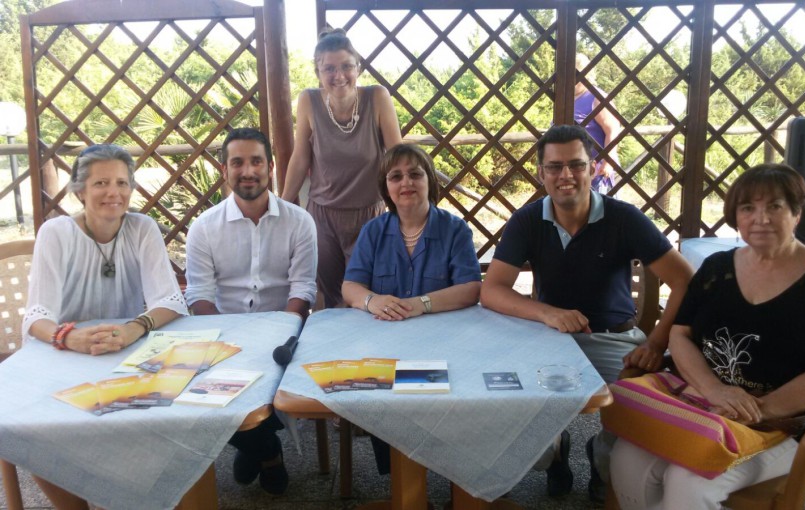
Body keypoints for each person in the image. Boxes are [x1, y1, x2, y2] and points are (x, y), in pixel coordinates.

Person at [479, 124, 693, 501]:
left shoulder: (624, 218)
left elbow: (685, 281)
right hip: (549, 337)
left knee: (640, 419)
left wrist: (657, 342)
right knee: (511, 407)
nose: (566, 176)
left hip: (615, 337)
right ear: (541, 172)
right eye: (555, 167)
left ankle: (602, 454)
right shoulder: (528, 220)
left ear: (594, 168)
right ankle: (555, 451)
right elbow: (491, 290)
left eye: (576, 165)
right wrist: (547, 314)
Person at [610, 163, 805, 510]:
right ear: (735, 216)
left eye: (775, 206)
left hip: (782, 424)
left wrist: (756, 410)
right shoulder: (717, 269)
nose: (761, 218)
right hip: (702, 403)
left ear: (797, 213)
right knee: (627, 457)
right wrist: (715, 391)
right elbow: (680, 335)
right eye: (748, 208)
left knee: (688, 482)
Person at [23, 143, 189, 508]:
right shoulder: (57, 233)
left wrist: (135, 328)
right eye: (100, 183)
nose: (113, 192)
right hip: (64, 353)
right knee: (37, 432)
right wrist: (69, 336)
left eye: (121, 183)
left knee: (165, 423)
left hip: (124, 349)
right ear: (80, 191)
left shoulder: (142, 228)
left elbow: (170, 300)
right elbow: (36, 315)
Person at [185, 127, 318, 495]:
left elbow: (303, 287)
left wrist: (281, 332)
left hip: (285, 333)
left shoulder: (299, 221)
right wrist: (232, 342)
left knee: (276, 373)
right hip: (223, 334)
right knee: (196, 389)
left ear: (271, 167)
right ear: (223, 169)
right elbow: (198, 294)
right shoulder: (204, 227)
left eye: (256, 161)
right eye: (237, 162)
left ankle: (250, 443)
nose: (248, 171)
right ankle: (268, 453)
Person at [342, 143, 481, 473]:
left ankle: (443, 465)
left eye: (415, 174)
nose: (406, 183)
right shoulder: (373, 231)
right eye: (396, 176)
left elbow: (471, 289)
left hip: (444, 345)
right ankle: (401, 474)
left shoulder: (454, 229)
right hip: (385, 345)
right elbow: (350, 286)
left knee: (451, 399)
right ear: (386, 187)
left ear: (430, 181)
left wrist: (423, 304)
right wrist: (371, 300)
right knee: (380, 396)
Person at [282, 27, 402, 310]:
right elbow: (301, 156)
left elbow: (397, 154)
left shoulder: (377, 98)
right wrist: (283, 203)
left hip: (369, 215)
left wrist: (407, 203)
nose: (339, 76)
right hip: (323, 217)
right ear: (318, 72)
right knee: (329, 296)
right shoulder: (308, 101)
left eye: (347, 66)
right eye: (329, 69)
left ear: (358, 66)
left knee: (366, 295)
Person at [572, 53, 622, 194]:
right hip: (573, 171)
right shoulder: (565, 98)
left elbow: (613, 130)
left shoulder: (596, 97)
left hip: (597, 171)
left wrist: (608, 162)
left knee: (600, 213)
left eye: (576, 73)